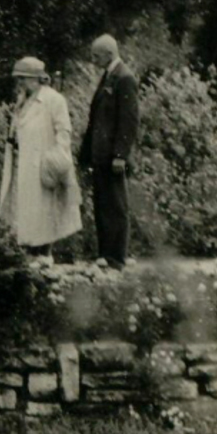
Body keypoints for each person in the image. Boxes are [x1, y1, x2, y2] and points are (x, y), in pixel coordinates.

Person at [0, 57, 82, 257]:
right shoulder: (23, 101)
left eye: (23, 78)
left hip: (44, 164)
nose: (20, 83)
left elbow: (64, 132)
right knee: (25, 208)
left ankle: (44, 253)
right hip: (23, 162)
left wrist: (57, 158)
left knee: (45, 209)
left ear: (37, 78)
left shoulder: (53, 100)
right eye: (18, 79)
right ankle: (28, 251)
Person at [78, 34, 140, 268]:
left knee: (116, 206)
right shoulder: (108, 76)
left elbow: (129, 121)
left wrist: (120, 155)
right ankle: (105, 254)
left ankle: (116, 257)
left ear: (109, 54)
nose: (93, 60)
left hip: (113, 156)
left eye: (96, 56)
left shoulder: (124, 78)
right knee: (103, 204)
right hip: (101, 154)